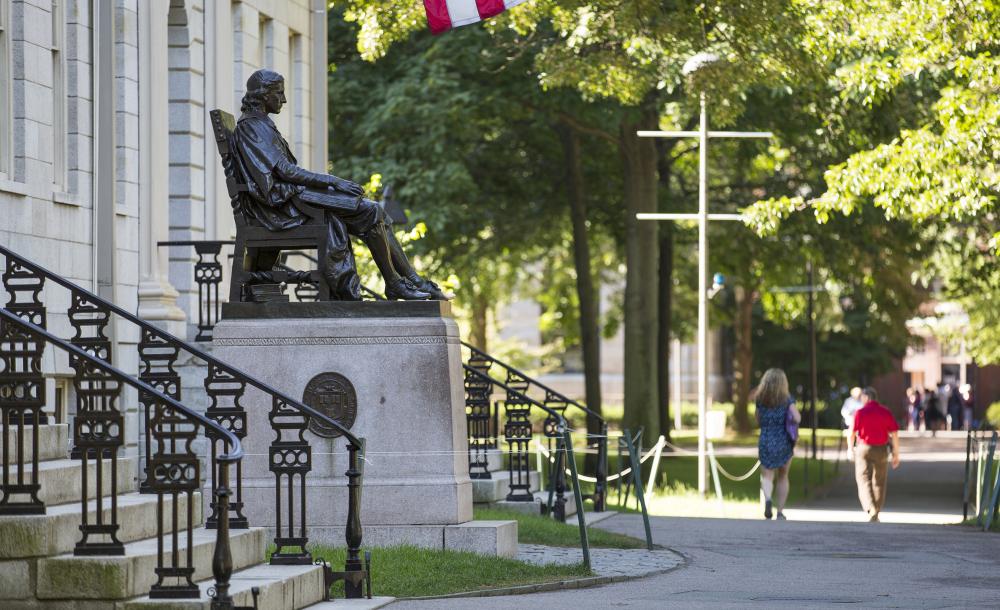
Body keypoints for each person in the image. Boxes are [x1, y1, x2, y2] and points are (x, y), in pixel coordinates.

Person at [232, 69, 448, 301]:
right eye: (279, 93)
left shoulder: (261, 124)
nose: (283, 99)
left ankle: (409, 280)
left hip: (290, 199)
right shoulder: (252, 127)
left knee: (376, 212)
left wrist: (333, 184)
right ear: (264, 95)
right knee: (372, 210)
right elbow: (285, 171)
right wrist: (333, 181)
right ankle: (397, 283)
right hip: (278, 207)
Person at [847, 387, 900, 522]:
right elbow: (894, 433)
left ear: (866, 397)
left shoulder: (860, 412)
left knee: (863, 478)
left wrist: (849, 449)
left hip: (864, 448)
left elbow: (852, 432)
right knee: (880, 481)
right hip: (882, 449)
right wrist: (896, 453)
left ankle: (870, 508)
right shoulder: (885, 412)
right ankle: (876, 510)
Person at [755, 368, 801, 521]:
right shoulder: (787, 400)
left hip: (766, 439)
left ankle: (768, 499)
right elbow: (797, 418)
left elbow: (758, 420)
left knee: (767, 476)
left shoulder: (760, 399)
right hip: (784, 441)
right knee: (783, 476)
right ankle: (780, 512)